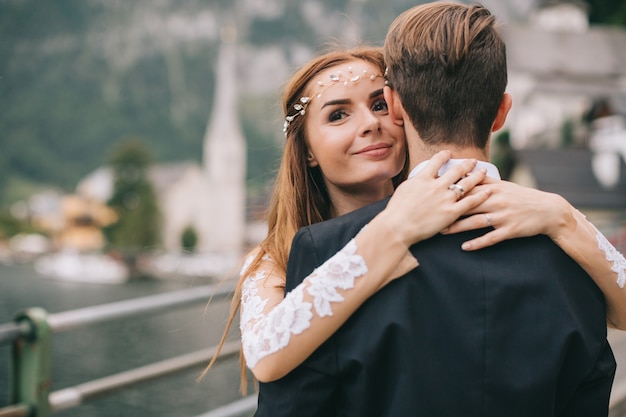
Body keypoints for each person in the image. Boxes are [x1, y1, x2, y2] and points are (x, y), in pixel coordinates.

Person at [253, 3, 620, 416]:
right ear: (501, 111)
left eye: (376, 106)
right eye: (338, 114)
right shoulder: (572, 258)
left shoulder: (320, 249)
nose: (369, 125)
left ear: (395, 107)